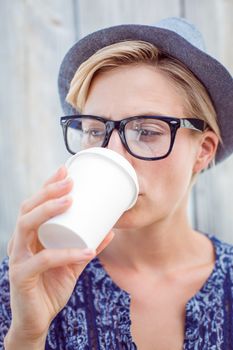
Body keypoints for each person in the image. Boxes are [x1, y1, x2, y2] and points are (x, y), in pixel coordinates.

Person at [1, 17, 233, 350]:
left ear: (203, 151)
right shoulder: (26, 280)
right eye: (95, 130)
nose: (114, 153)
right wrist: (27, 335)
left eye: (147, 132)